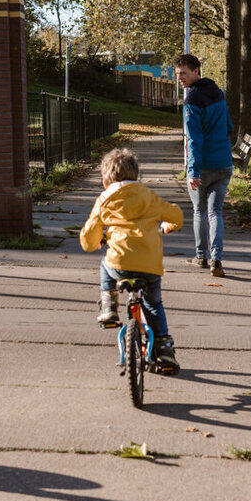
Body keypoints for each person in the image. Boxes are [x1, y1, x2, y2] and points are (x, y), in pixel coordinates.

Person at [80, 147, 183, 374]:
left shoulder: (105, 199)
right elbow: (176, 215)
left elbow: (89, 238)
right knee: (154, 304)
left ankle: (109, 306)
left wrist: (98, 241)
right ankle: (164, 349)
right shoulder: (148, 196)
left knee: (105, 266)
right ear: (137, 176)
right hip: (149, 266)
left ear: (105, 181)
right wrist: (168, 225)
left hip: (119, 264)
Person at [175, 53, 234, 278]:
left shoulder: (192, 101)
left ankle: (201, 256)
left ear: (196, 71)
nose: (180, 78)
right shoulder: (219, 94)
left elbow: (194, 139)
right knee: (216, 212)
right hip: (224, 164)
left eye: (183, 73)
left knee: (200, 211)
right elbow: (229, 125)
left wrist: (192, 171)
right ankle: (216, 258)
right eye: (178, 74)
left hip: (203, 167)